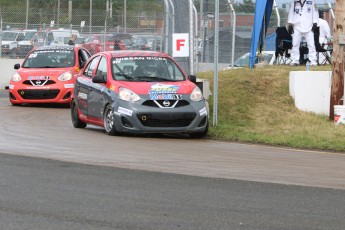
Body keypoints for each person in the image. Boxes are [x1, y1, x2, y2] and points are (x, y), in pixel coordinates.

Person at [287, 0, 319, 66]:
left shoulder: (312, 1)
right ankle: (295, 60)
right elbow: (291, 12)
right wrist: (290, 23)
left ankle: (313, 61)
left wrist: (315, 22)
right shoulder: (294, 2)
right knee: (295, 44)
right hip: (297, 26)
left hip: (309, 26)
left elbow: (315, 11)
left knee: (311, 45)